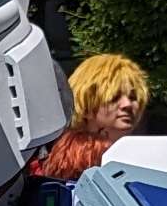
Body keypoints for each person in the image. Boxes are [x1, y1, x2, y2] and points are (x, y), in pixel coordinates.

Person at [34, 49, 154, 185]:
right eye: (114, 97)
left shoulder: (140, 150)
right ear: (87, 101)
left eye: (133, 97)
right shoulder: (81, 154)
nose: (127, 104)